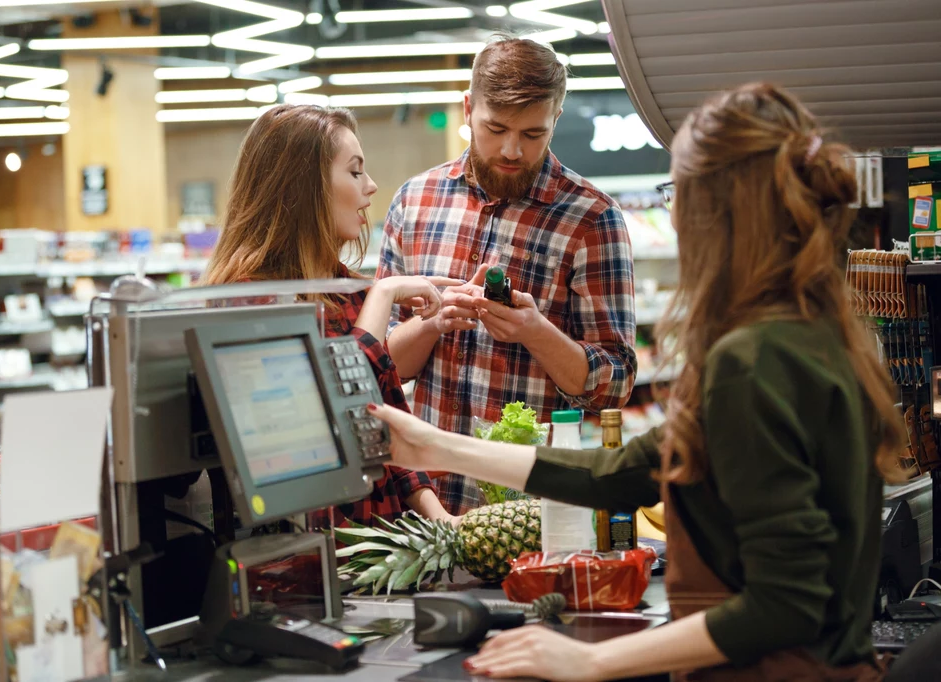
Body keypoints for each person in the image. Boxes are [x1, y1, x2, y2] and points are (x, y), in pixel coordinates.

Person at [366, 82, 906, 681]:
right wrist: (432, 445)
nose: (673, 213)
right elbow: (624, 473)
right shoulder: (808, 333)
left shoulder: (753, 361)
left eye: (678, 192)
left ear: (718, 211)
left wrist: (592, 661)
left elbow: (787, 605)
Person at [378, 35, 637, 516]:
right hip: (425, 506)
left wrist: (537, 334)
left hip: (534, 514)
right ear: (467, 108)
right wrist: (433, 323)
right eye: (495, 128)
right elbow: (384, 366)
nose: (512, 149)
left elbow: (615, 384)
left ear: (556, 119)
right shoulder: (414, 202)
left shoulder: (592, 219)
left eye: (533, 134)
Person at [203, 104, 461, 529]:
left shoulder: (343, 289)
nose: (372, 186)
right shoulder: (249, 300)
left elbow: (386, 423)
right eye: (355, 171)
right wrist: (384, 293)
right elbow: (329, 416)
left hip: (381, 548)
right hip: (309, 558)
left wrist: (442, 519)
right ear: (304, 188)